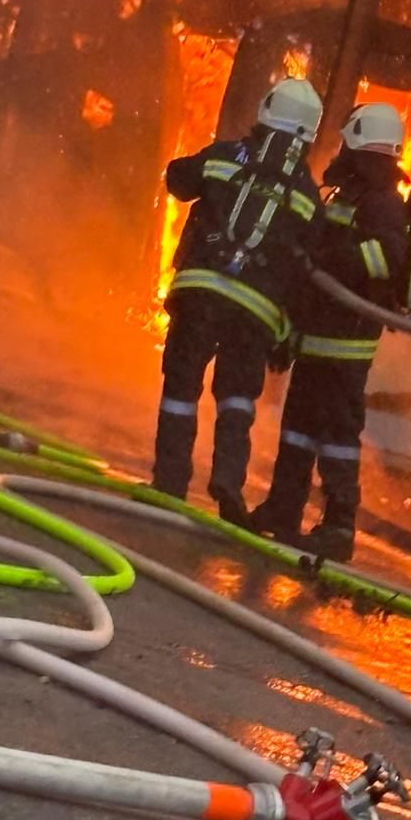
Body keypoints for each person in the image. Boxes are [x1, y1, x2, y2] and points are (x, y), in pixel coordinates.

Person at [151, 78, 324, 523]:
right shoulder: (306, 194)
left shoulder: (225, 156)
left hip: (201, 294)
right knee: (237, 397)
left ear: (266, 112)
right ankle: (228, 482)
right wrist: (288, 333)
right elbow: (308, 272)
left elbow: (177, 179)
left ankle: (170, 482)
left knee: (181, 386)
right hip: (256, 314)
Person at [249, 102, 411, 561]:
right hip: (316, 339)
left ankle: (339, 527)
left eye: (346, 143)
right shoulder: (349, 197)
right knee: (298, 429)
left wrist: (327, 259)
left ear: (360, 144)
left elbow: (386, 259)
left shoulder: (382, 204)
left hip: (347, 344)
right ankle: (283, 509)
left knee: (338, 436)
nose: (340, 151)